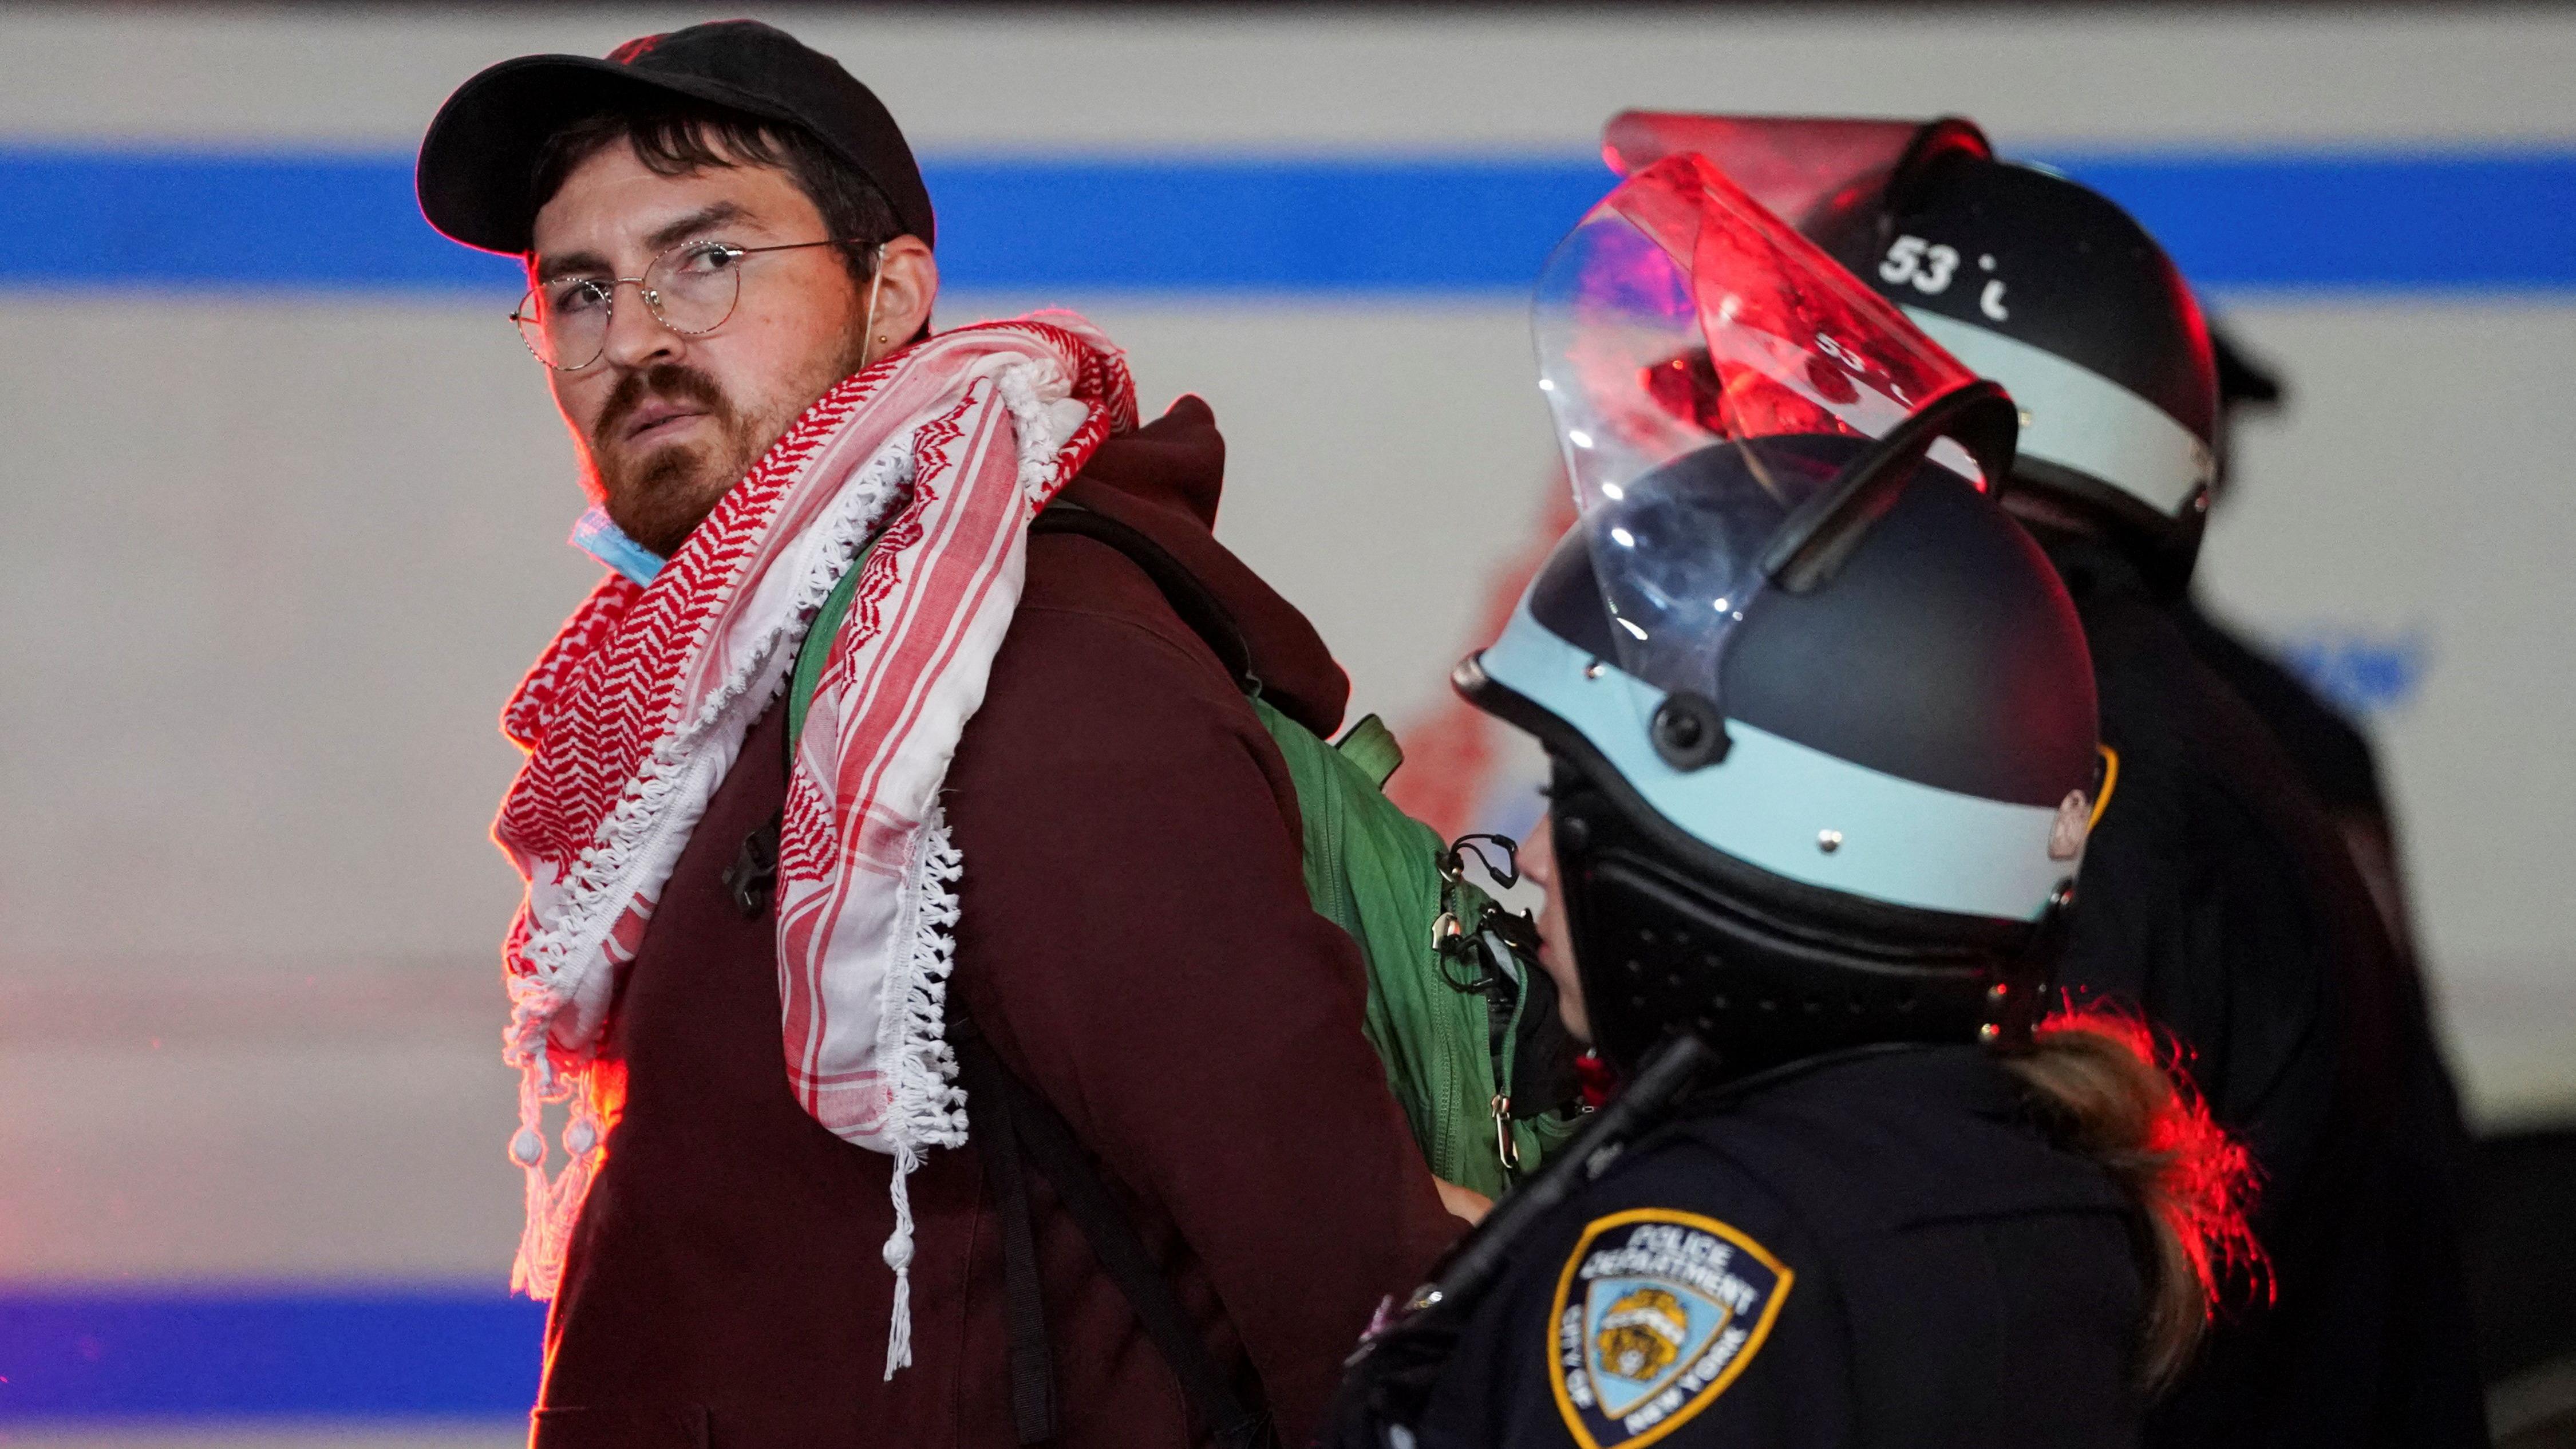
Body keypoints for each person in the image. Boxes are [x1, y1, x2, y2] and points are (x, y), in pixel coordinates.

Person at [413, 21, 1459, 1447]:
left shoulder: (1019, 667)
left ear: (892, 291)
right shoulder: (768, 679)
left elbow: (1335, 1268)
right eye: (581, 291)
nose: (636, 337)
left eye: (707, 260)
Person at [1322, 152, 2255, 1449]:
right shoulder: (2013, 1173)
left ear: (1751, 858)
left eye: (1586, 801)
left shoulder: (1708, 1258)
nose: (1531, 859)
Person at [1590, 114, 2486, 1446]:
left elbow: (1982, 1274)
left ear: (1947, 435)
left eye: (1795, 418)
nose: (1753, 471)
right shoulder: (2113, 714)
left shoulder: (2075, 766)